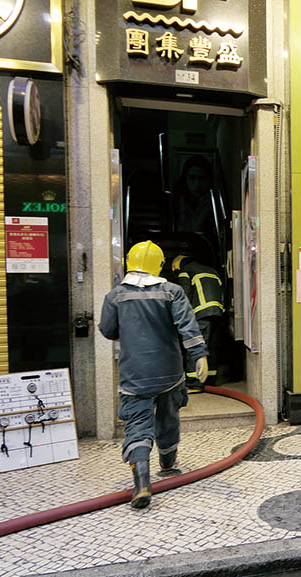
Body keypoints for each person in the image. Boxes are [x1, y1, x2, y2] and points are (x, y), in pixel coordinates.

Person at [98, 241, 209, 509]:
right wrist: (200, 356)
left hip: (134, 375)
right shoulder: (173, 292)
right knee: (168, 418)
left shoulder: (115, 297)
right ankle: (168, 462)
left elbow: (107, 330)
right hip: (170, 372)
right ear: (158, 265)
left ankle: (142, 484)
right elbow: (187, 326)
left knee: (137, 424)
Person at [171, 255, 224, 392]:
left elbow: (184, 295)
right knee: (212, 346)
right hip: (218, 312)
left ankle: (194, 383)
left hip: (200, 313)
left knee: (195, 345)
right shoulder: (212, 271)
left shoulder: (185, 270)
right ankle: (210, 380)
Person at [175, 155, 215, 235]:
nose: (197, 184)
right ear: (185, 179)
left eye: (202, 178)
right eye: (192, 178)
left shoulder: (214, 203)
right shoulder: (177, 202)